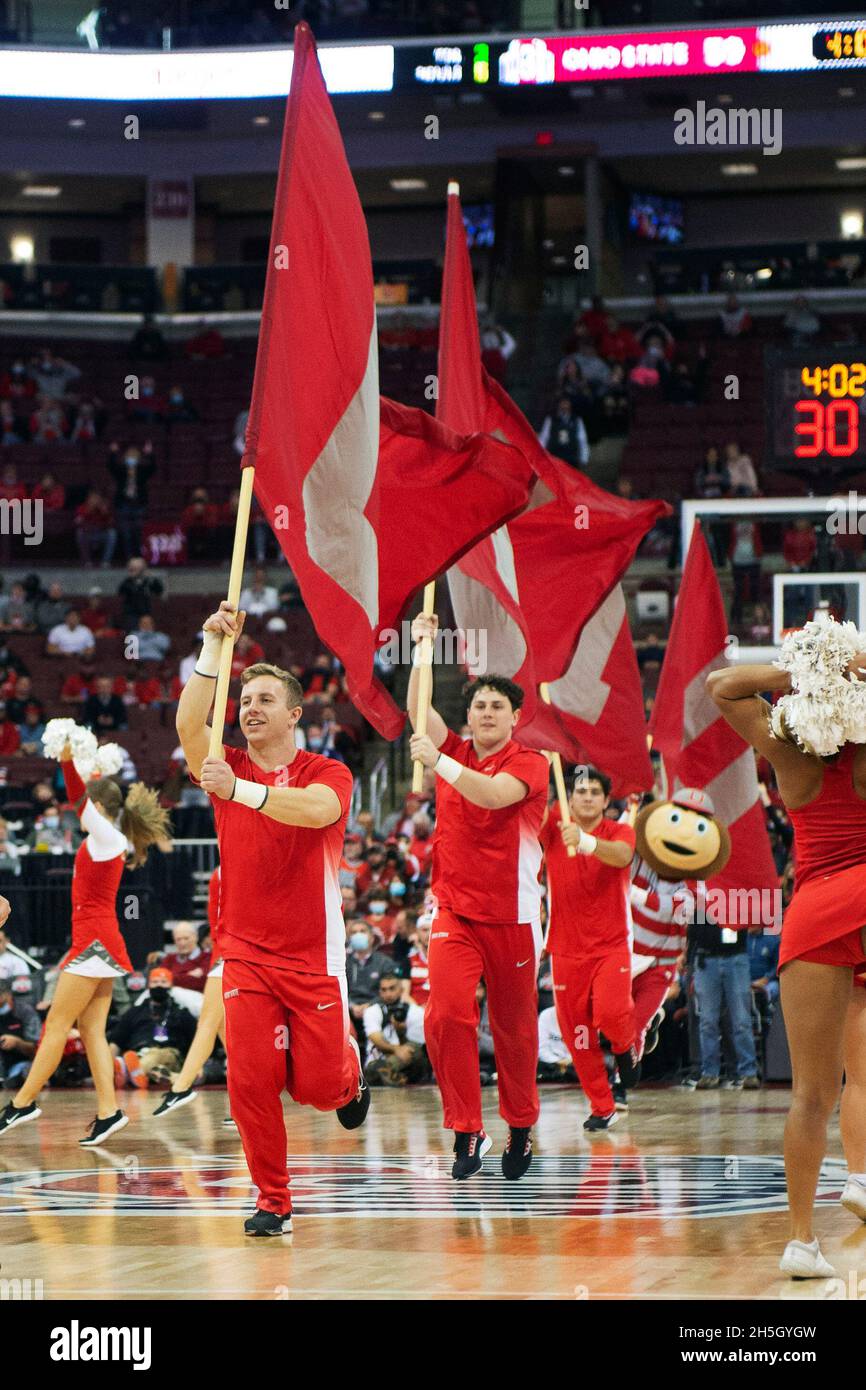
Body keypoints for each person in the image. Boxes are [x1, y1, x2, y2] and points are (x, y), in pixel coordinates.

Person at [175, 601, 367, 1238]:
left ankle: (348, 1074)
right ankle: (274, 1200)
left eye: (263, 699)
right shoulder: (224, 764)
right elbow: (187, 724)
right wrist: (210, 647)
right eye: (243, 699)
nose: (249, 708)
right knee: (250, 1081)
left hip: (314, 950)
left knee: (315, 1089)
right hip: (245, 951)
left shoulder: (328, 772)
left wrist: (243, 792)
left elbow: (314, 812)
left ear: (294, 712)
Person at [708, 644, 866, 1278]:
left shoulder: (787, 747)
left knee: (810, 1094)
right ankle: (861, 1177)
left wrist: (804, 665)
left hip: (817, 913)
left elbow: (722, 686)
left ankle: (801, 1241)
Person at [407, 611, 549, 1181]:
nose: (487, 713)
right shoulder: (456, 750)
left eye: (498, 707)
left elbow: (492, 797)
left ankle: (519, 1127)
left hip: (513, 916)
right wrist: (421, 649)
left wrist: (437, 760)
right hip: (455, 910)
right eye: (479, 706)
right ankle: (467, 1129)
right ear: (467, 716)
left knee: (515, 1033)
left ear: (515, 718)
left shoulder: (531, 763)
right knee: (445, 1015)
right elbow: (420, 710)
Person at [0, 739, 169, 1145]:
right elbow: (86, 794)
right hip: (100, 942)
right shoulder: (107, 838)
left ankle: (21, 1103)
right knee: (91, 1031)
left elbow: (77, 796)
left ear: (99, 809)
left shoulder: (107, 835)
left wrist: (64, 759)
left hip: (94, 944)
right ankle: (109, 1112)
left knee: (57, 1025)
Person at [540, 767, 640, 1131]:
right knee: (577, 1034)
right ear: (569, 796)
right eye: (579, 790)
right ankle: (602, 1106)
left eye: (594, 792)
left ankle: (625, 1044)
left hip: (611, 944)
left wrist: (583, 840)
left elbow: (621, 856)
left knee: (613, 1013)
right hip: (565, 948)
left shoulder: (619, 831)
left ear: (605, 800)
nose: (586, 797)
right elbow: (528, 811)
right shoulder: (552, 824)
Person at [153, 867, 233, 1120]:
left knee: (211, 1025)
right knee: (227, 1036)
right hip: (227, 954)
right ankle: (245, 1102)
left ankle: (182, 1086)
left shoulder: (234, 870)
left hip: (233, 956)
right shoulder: (225, 872)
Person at [110, 965, 197, 1089]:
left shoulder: (181, 1013)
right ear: (148, 986)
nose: (159, 986)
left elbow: (197, 1041)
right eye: (155, 982)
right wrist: (106, 1065)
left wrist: (199, 1067)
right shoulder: (135, 1012)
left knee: (156, 1054)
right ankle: (137, 1072)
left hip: (170, 1054)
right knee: (155, 1068)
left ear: (171, 986)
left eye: (163, 982)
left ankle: (128, 1071)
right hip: (137, 1052)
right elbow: (116, 1041)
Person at [363, 972, 427, 1086]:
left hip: (407, 1062)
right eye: (384, 990)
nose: (388, 993)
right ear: (379, 992)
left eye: (392, 988)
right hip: (379, 1058)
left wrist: (401, 1032)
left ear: (401, 989)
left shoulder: (415, 1012)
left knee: (413, 1050)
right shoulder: (372, 1011)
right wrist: (396, 1049)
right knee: (377, 1065)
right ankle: (389, 1074)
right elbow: (375, 1038)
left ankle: (386, 1073)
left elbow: (415, 1046)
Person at [0, 979, 40, 1089]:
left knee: (24, 1075)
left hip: (20, 1061)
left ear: (8, 995)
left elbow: (36, 1049)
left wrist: (17, 1042)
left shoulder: (26, 1012)